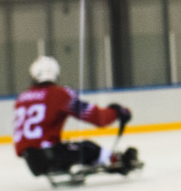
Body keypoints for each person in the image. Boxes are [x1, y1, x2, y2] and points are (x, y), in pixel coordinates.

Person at [13, 55, 141, 181]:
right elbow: (98, 118)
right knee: (89, 148)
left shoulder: (22, 98)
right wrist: (116, 111)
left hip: (32, 161)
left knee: (74, 147)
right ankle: (115, 160)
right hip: (51, 156)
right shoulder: (59, 94)